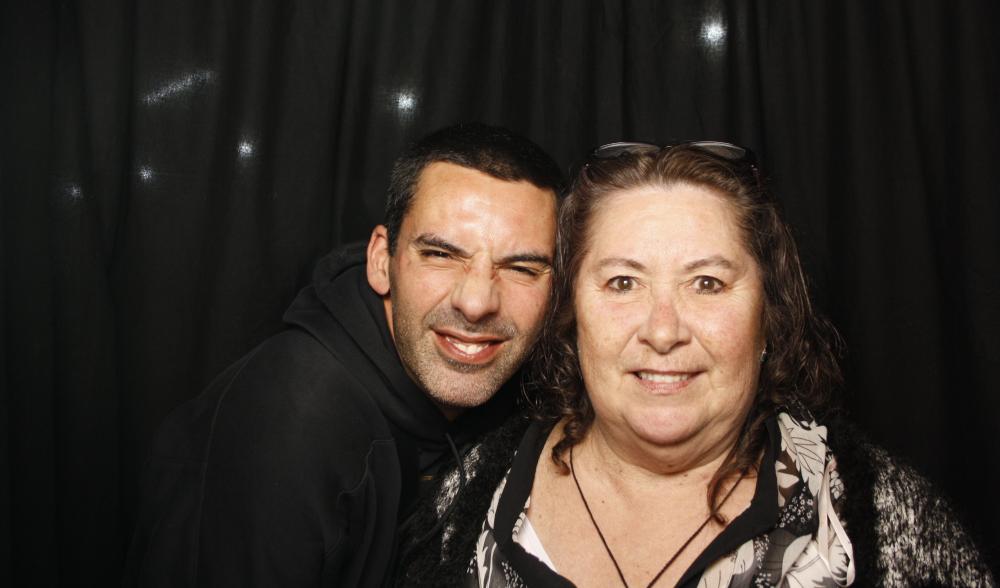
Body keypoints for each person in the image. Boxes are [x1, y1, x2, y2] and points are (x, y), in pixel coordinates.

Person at [400, 142, 995, 586]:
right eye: (623, 282)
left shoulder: (884, 520)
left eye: (707, 283)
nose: (663, 331)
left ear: (768, 316)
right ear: (571, 315)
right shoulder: (467, 499)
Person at [123, 122, 563, 587]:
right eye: (440, 254)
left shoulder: (529, 403)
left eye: (521, 268)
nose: (476, 303)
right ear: (381, 261)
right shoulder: (293, 425)